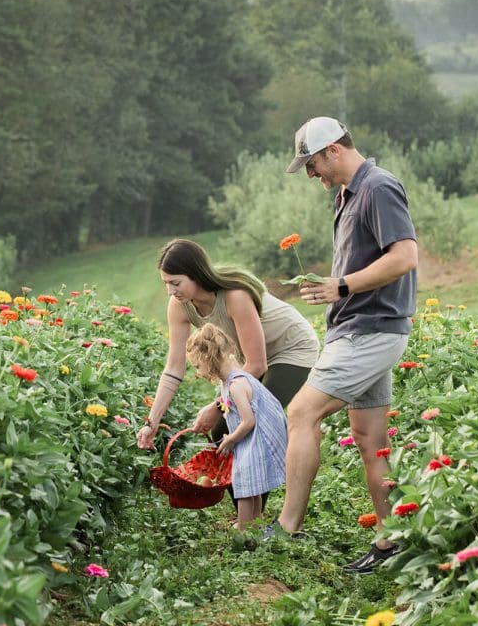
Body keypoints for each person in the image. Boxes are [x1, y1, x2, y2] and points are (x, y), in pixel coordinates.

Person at [265, 116, 418, 576]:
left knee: (301, 412)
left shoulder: (378, 188)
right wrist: (337, 292)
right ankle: (393, 544)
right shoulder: (349, 195)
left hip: (371, 330)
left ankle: (286, 527)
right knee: (372, 441)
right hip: (358, 327)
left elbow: (405, 256)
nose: (311, 175)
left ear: (332, 149)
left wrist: (343, 286)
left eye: (311, 164)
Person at [136, 239, 318, 452]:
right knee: (222, 430)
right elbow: (174, 368)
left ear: (196, 274)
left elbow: (257, 365)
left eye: (175, 283)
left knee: (253, 418)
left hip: (291, 349)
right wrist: (152, 422)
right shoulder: (179, 306)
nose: (170, 291)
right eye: (166, 283)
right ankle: (238, 483)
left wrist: (217, 406)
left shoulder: (234, 296)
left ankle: (268, 474)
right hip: (250, 357)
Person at [185, 324, 287, 526]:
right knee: (253, 487)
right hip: (251, 441)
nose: (198, 372)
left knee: (244, 486)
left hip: (253, 441)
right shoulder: (230, 382)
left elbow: (249, 421)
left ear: (208, 358)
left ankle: (243, 527)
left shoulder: (235, 385)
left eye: (198, 366)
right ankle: (255, 523)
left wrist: (230, 439)